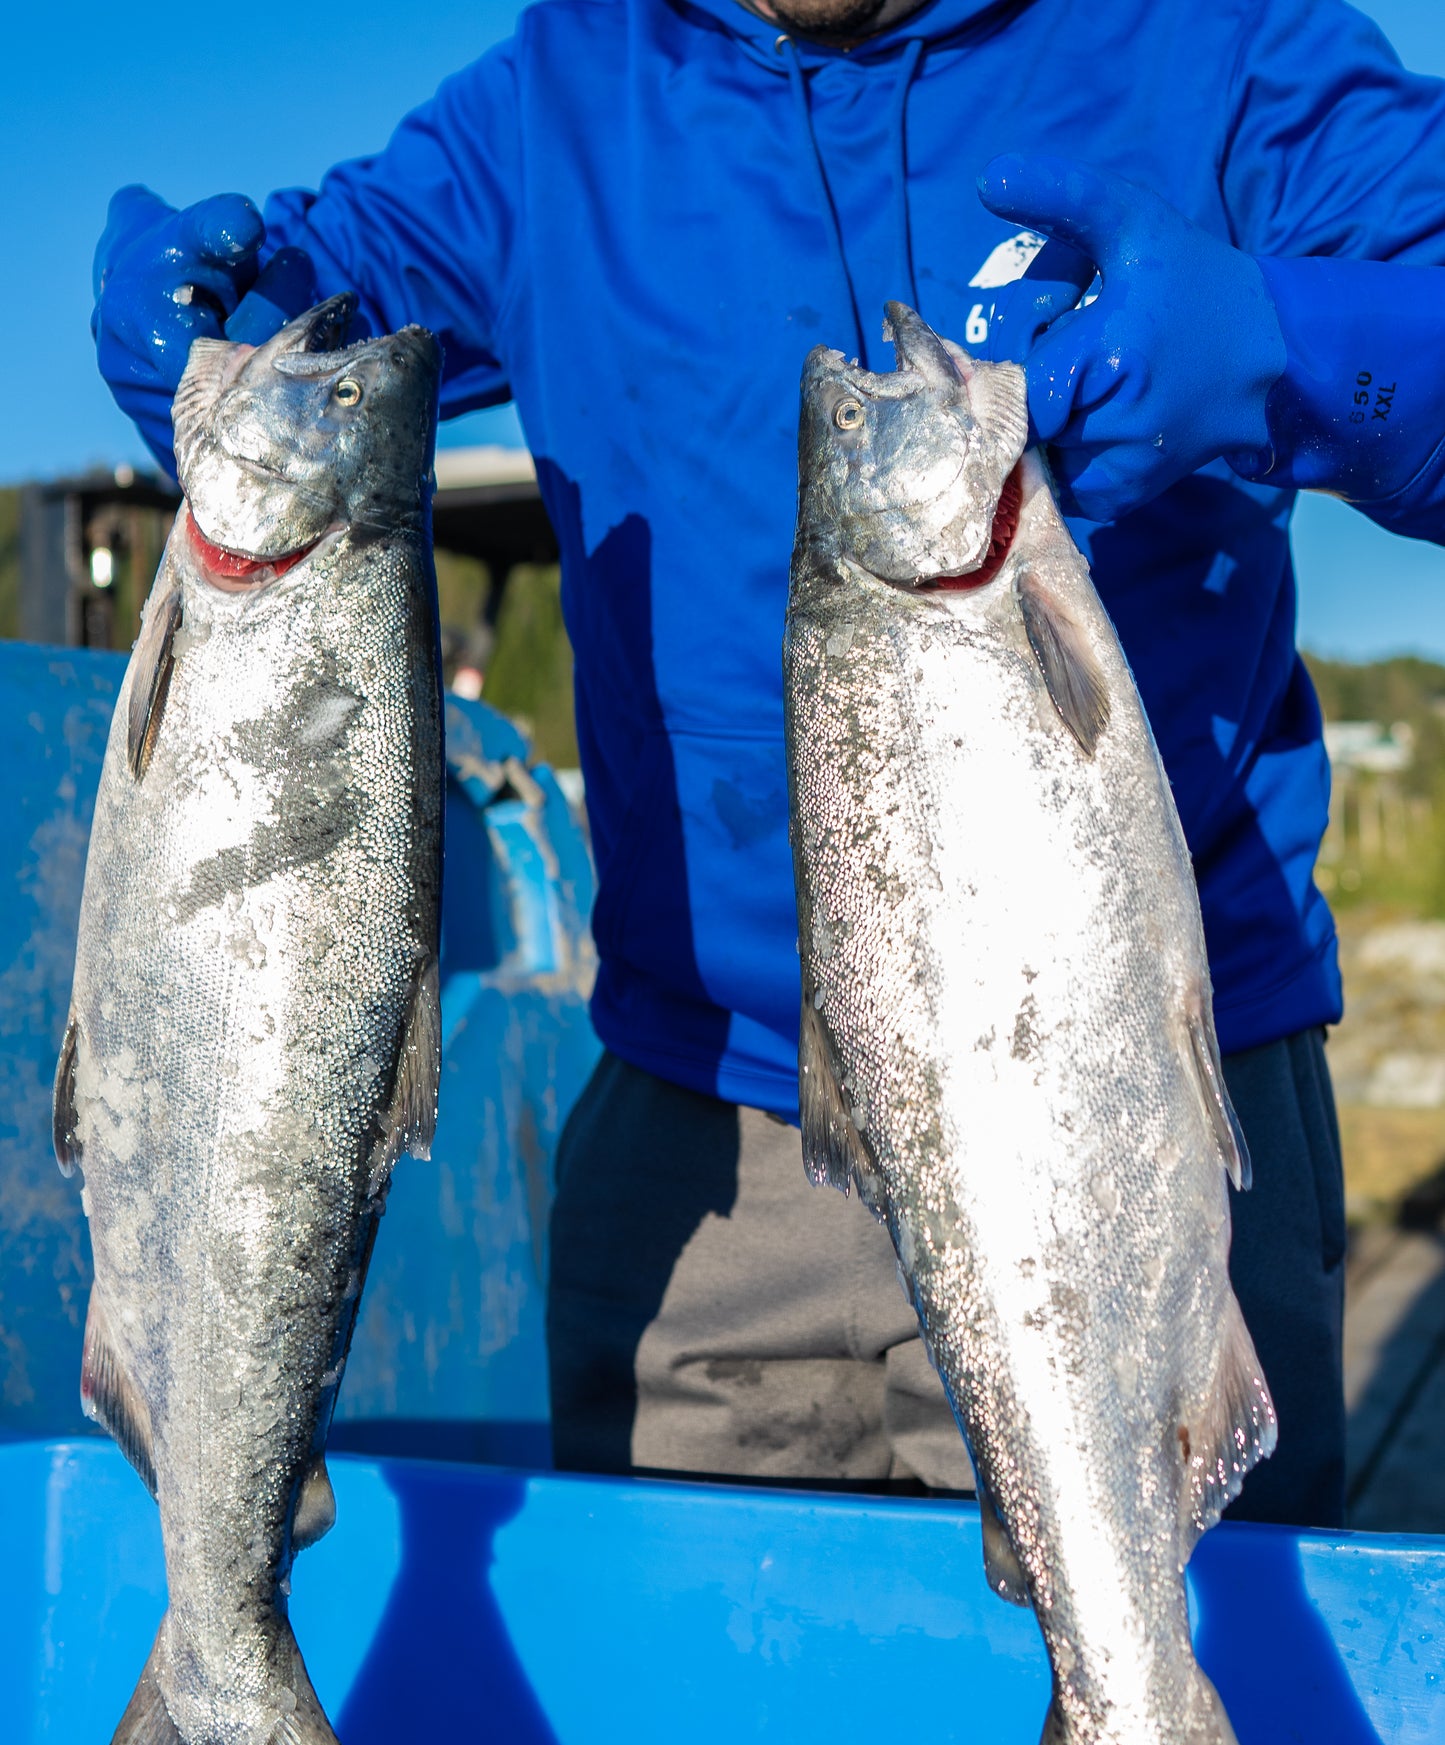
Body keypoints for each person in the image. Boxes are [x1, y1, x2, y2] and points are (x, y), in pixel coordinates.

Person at [91, 0, 1445, 1525]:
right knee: (706, 1674)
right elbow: (302, 354)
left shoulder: (1219, 42)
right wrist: (201, 326)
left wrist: (1288, 346)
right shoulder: (563, 91)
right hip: (699, 1175)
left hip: (1126, 1093)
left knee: (1161, 1656)